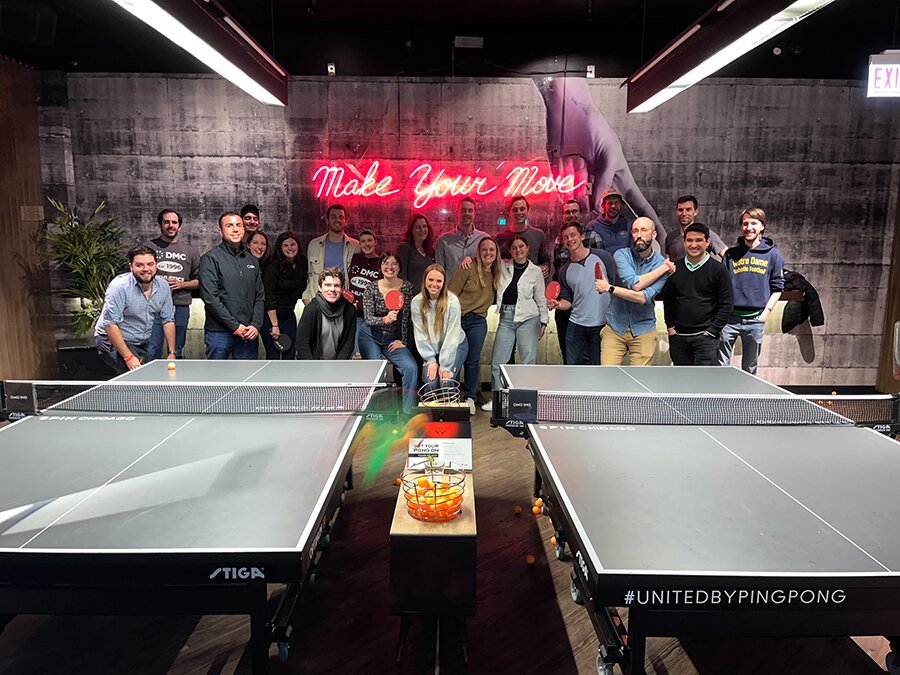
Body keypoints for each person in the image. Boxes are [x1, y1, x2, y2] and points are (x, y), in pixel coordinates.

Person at [483, 235, 548, 411]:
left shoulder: (535, 271)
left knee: (528, 361)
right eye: (514, 247)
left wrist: (544, 320)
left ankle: (526, 402)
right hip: (506, 317)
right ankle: (498, 400)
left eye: (521, 247)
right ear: (510, 251)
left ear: (527, 248)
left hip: (529, 319)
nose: (518, 250)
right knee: (498, 362)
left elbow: (541, 298)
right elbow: (487, 258)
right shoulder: (503, 266)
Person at [718, 207, 785, 374]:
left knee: (750, 368)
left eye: (753, 223)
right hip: (730, 320)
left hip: (755, 320)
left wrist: (765, 314)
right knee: (721, 366)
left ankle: (746, 400)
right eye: (745, 223)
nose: (748, 227)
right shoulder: (730, 255)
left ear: (762, 226)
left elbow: (778, 287)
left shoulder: (773, 255)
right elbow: (722, 287)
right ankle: (720, 398)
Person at [601, 218, 674, 366]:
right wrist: (664, 269)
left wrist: (610, 288)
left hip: (644, 329)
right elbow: (634, 284)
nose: (639, 234)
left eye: (644, 230)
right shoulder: (621, 255)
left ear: (653, 235)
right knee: (606, 379)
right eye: (635, 231)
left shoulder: (660, 262)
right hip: (615, 326)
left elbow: (642, 298)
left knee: (640, 382)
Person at [95, 245, 176, 373]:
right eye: (139, 265)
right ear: (131, 266)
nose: (146, 269)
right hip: (110, 340)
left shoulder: (163, 286)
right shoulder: (119, 286)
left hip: (139, 341)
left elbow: (168, 320)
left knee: (145, 376)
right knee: (137, 376)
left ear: (156, 265)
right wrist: (128, 357)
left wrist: (172, 352)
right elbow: (110, 325)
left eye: (150, 264)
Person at [661, 224, 733, 365]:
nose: (694, 245)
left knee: (703, 384)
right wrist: (670, 326)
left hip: (705, 339)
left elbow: (727, 304)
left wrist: (712, 331)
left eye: (699, 240)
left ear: (707, 242)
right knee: (681, 382)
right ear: (684, 243)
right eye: (689, 240)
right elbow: (668, 300)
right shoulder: (674, 268)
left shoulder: (719, 270)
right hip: (678, 338)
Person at [548, 222, 619, 365]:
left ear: (581, 237)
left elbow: (616, 286)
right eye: (566, 237)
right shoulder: (564, 270)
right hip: (576, 325)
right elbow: (568, 301)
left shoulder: (603, 257)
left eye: (573, 235)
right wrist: (558, 304)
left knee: (598, 368)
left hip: (601, 324)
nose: (570, 239)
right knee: (573, 367)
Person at [199, 212, 265, 360]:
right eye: (229, 226)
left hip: (248, 332)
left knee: (247, 380)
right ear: (220, 231)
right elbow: (210, 298)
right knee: (217, 380)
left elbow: (260, 296)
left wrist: (255, 325)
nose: (235, 229)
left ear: (243, 229)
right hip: (219, 333)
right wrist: (235, 326)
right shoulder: (210, 258)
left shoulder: (252, 260)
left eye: (238, 225)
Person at [359, 252, 418, 413]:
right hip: (370, 336)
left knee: (411, 368)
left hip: (392, 338)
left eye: (394, 263)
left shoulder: (407, 287)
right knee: (377, 372)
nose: (390, 267)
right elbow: (369, 318)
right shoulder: (371, 287)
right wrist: (385, 319)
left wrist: (403, 341)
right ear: (380, 267)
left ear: (399, 267)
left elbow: (406, 318)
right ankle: (374, 412)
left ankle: (407, 411)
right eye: (385, 263)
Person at [449, 237, 501, 414]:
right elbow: (450, 295)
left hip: (478, 321)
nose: (488, 253)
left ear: (496, 253)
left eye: (491, 250)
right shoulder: (467, 267)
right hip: (459, 320)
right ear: (478, 251)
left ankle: (470, 397)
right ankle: (452, 396)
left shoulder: (498, 271)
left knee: (472, 361)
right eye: (484, 249)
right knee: (455, 359)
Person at [551, 199, 602, 363]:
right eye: (567, 212)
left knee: (593, 356)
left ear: (580, 214)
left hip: (590, 307)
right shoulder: (559, 241)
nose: (571, 215)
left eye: (574, 211)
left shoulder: (593, 236)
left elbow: (600, 272)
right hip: (566, 304)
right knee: (568, 352)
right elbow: (558, 272)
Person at [145, 208, 200, 359]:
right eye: (167, 222)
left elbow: (199, 281)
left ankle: (176, 380)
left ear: (179, 226)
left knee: (177, 350)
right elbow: (138, 275)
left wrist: (182, 285)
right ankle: (151, 381)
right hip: (153, 305)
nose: (171, 225)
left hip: (180, 305)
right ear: (160, 225)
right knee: (151, 349)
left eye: (174, 222)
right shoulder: (149, 247)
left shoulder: (191, 251)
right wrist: (156, 281)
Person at [411, 264, 469, 393]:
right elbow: (420, 335)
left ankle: (451, 412)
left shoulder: (452, 301)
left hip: (455, 345)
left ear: (444, 283)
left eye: (439, 281)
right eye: (431, 280)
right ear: (424, 280)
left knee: (446, 381)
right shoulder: (416, 302)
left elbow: (452, 335)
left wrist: (445, 365)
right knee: (431, 383)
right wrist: (431, 360)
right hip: (430, 348)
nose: (434, 284)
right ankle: (433, 413)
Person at [262, 231, 307, 359]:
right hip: (271, 317)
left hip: (289, 315)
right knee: (274, 355)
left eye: (293, 244)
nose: (290, 248)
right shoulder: (273, 267)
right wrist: (274, 326)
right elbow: (269, 297)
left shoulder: (303, 263)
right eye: (285, 245)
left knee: (290, 353)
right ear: (280, 248)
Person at [297, 267, 357, 360]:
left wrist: (337, 366)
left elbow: (348, 343)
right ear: (320, 287)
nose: (332, 289)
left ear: (342, 288)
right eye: (328, 285)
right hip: (313, 365)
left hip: (338, 366)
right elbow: (302, 344)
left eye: (336, 285)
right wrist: (311, 369)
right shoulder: (311, 309)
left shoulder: (350, 310)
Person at [304, 204, 360, 303]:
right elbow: (310, 274)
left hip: (343, 301)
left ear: (346, 221)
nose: (337, 220)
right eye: (333, 217)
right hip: (318, 300)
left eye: (341, 217)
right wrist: (306, 298)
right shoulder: (314, 245)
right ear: (327, 220)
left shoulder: (356, 246)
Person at [494, 196, 551, 279]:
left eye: (522, 209)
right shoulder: (499, 238)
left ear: (527, 211)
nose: (519, 212)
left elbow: (545, 259)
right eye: (515, 210)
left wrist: (545, 267)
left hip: (532, 284)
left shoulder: (538, 234)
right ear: (509, 213)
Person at [347, 228, 381, 353]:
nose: (367, 244)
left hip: (373, 317)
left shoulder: (381, 263)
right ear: (359, 244)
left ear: (375, 242)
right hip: (355, 316)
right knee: (357, 354)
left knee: (371, 354)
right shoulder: (355, 259)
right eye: (363, 241)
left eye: (369, 240)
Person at [664, 195, 728, 261]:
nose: (684, 213)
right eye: (681, 210)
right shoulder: (670, 237)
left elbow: (728, 255)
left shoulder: (706, 233)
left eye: (688, 210)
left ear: (695, 212)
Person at [434, 197, 488, 274]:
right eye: (463, 210)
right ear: (457, 212)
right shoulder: (443, 241)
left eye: (470, 210)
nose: (467, 213)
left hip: (477, 286)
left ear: (474, 214)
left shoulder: (484, 239)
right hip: (451, 286)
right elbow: (439, 272)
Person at [586, 187, 631, 254]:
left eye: (616, 203)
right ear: (603, 205)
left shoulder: (628, 224)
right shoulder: (592, 226)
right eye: (610, 203)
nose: (613, 206)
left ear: (621, 205)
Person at [396, 213, 435, 289]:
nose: (422, 230)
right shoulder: (404, 248)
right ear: (411, 230)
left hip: (428, 296)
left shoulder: (431, 251)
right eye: (418, 227)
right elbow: (401, 275)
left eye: (424, 226)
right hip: (411, 297)